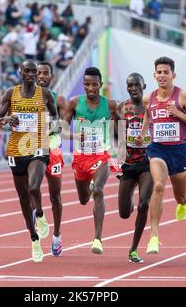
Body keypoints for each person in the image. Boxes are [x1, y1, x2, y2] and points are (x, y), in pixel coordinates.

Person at [136, 56, 186, 254]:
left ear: (173, 74)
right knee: (158, 186)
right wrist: (142, 135)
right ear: (154, 75)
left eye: (166, 72)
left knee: (180, 196)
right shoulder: (148, 98)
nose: (162, 76)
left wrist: (178, 113)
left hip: (179, 151)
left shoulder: (183, 96)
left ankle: (185, 199)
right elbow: (148, 115)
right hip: (157, 149)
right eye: (159, 72)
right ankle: (154, 237)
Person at [0, 59, 58, 263]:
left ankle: (39, 212)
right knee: (22, 198)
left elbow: (55, 116)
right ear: (20, 72)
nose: (32, 74)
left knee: (33, 187)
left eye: (34, 71)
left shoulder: (45, 94)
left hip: (38, 145)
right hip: (16, 149)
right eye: (28, 71)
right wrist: (5, 120)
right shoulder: (10, 94)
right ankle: (34, 238)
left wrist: (52, 126)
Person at [63, 67, 119, 254]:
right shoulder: (74, 103)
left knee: (99, 191)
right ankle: (89, 187)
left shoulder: (110, 105)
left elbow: (121, 125)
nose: (91, 88)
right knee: (83, 199)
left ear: (100, 85)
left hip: (101, 156)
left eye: (94, 84)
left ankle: (97, 239)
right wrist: (75, 136)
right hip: (80, 159)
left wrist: (126, 150)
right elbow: (62, 130)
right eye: (87, 84)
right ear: (83, 85)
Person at [117, 73, 153, 263]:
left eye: (137, 85)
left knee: (144, 204)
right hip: (129, 164)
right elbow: (119, 138)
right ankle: (130, 194)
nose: (133, 88)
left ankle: (133, 249)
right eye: (130, 85)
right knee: (124, 213)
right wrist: (118, 162)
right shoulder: (123, 108)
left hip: (148, 163)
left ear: (144, 85)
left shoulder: (151, 107)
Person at [36, 61, 66, 256]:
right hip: (32, 148)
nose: (41, 76)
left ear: (51, 77)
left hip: (53, 149)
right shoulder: (25, 98)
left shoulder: (59, 99)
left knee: (55, 195)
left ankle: (57, 235)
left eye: (45, 73)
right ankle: (38, 214)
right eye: (38, 72)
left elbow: (63, 125)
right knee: (32, 188)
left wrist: (51, 126)